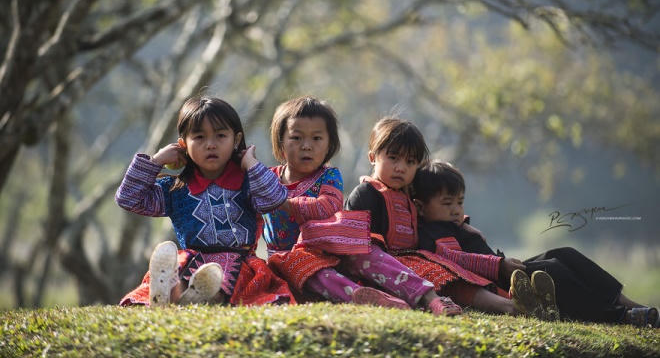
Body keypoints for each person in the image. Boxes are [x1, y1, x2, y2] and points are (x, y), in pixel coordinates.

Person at [413, 160, 660, 327]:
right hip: (496, 282)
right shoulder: (430, 234)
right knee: (552, 270)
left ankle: (629, 303)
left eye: (460, 202)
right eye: (447, 203)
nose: (456, 210)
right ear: (421, 207)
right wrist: (499, 265)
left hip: (504, 272)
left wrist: (468, 230)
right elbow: (455, 261)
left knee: (565, 253)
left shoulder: (455, 226)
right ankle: (620, 316)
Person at [346, 117, 550, 318]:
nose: (401, 167)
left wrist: (463, 225)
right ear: (373, 157)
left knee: (451, 273)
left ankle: (517, 302)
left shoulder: (407, 197)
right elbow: (357, 247)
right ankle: (510, 307)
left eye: (410, 162)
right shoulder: (366, 193)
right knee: (440, 275)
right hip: (380, 266)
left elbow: (429, 217)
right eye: (393, 158)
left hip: (416, 261)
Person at [264, 97, 451, 314]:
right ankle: (363, 298)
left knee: (365, 250)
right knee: (303, 266)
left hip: (333, 250)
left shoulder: (330, 176)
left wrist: (284, 203)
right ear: (281, 142)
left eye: (317, 138)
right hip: (289, 259)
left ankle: (430, 297)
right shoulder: (267, 180)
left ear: (329, 145)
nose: (306, 146)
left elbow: (327, 207)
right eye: (296, 138)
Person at [115, 96, 295, 307]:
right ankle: (170, 293)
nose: (210, 145)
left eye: (220, 136)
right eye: (199, 137)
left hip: (239, 262)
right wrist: (156, 161)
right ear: (183, 144)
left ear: (236, 140)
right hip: (192, 258)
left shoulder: (249, 182)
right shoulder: (175, 189)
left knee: (224, 277)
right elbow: (128, 198)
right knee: (180, 269)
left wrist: (251, 164)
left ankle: (199, 297)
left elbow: (276, 199)